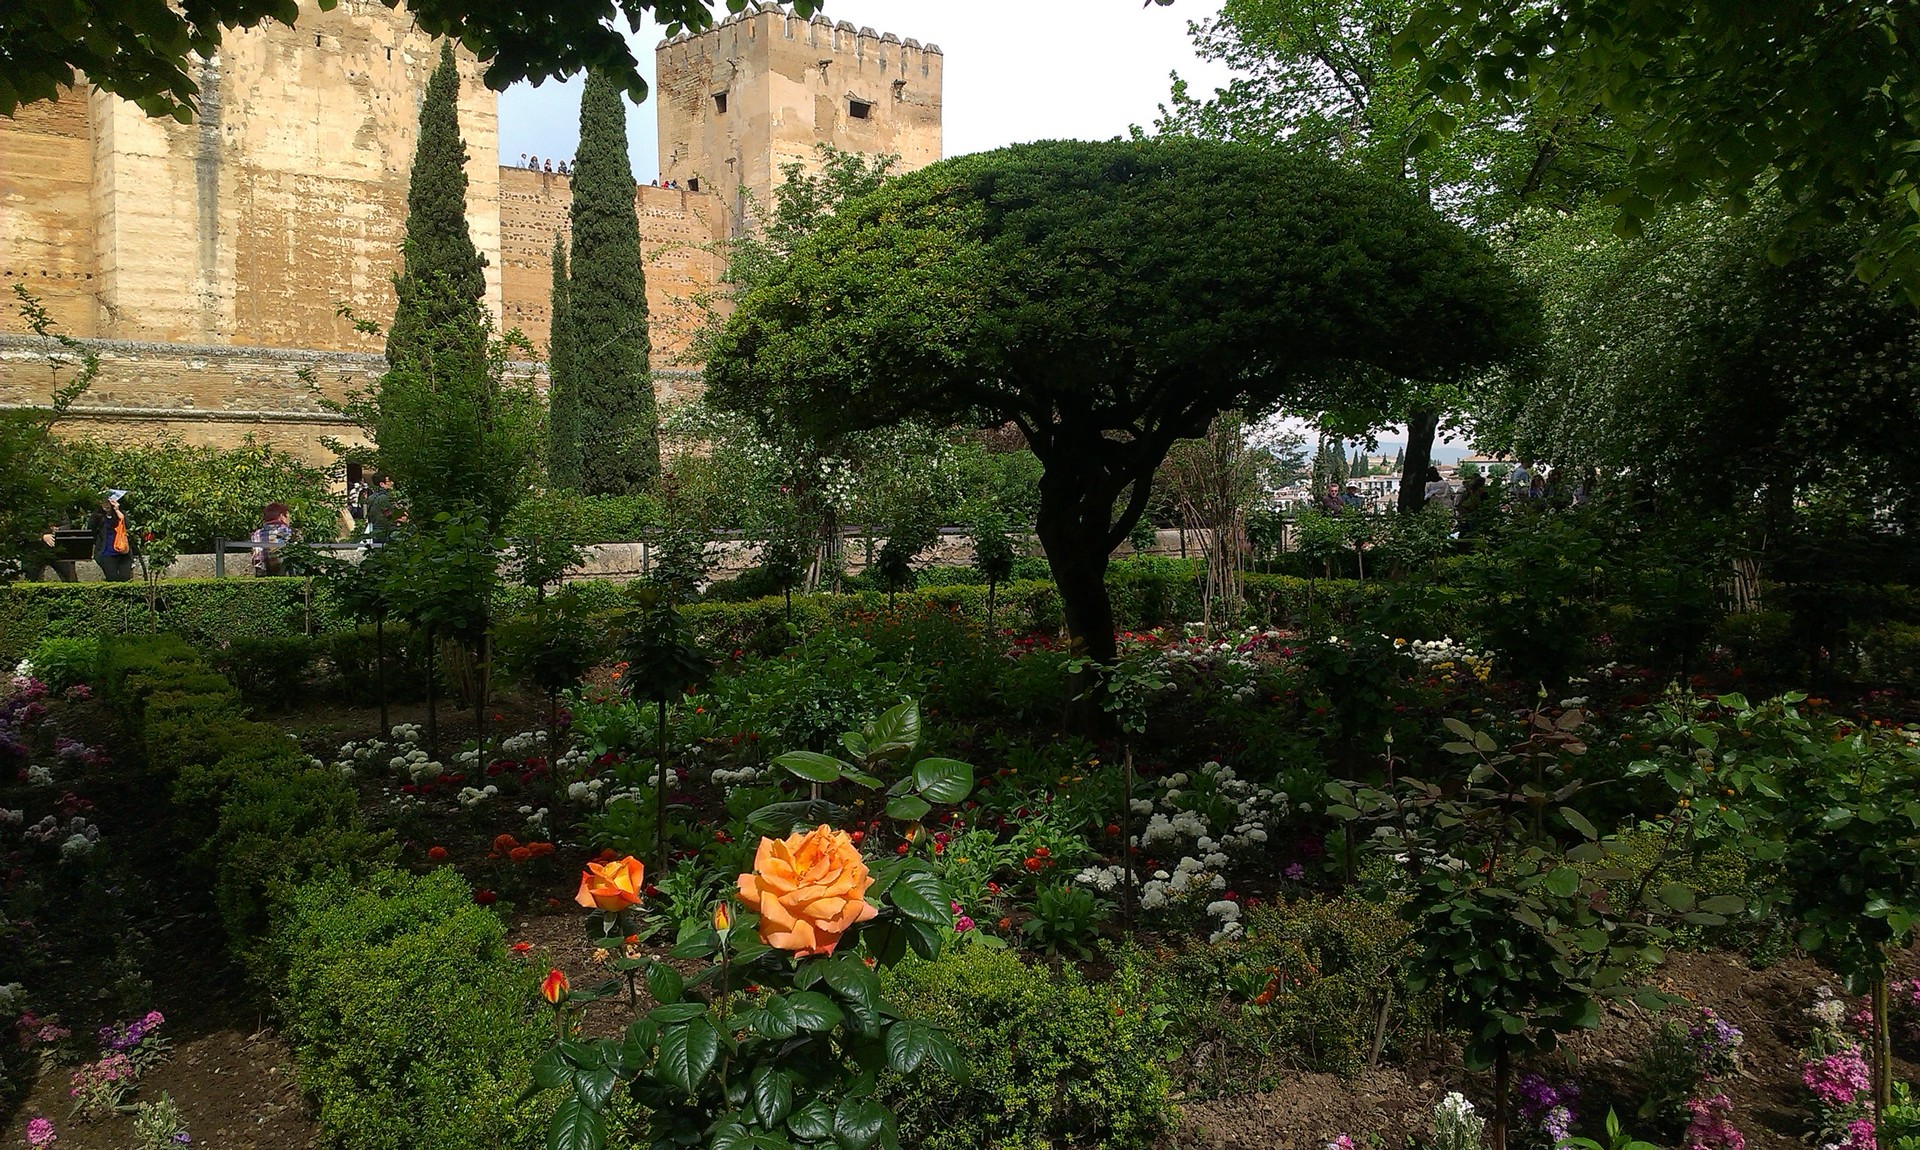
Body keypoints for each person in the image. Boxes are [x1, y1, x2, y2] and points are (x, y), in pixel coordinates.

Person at [90, 491, 135, 582]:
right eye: (103, 503)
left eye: (108, 503)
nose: (105, 505)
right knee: (112, 577)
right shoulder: (98, 516)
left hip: (122, 552)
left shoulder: (120, 515)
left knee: (125, 578)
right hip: (106, 552)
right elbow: (91, 528)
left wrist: (117, 510)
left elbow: (128, 526)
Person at [250, 502, 294, 576]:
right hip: (283, 572)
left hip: (262, 572)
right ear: (282, 516)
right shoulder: (286, 530)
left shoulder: (257, 534)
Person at [363, 471, 403, 545]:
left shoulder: (371, 497)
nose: (392, 483)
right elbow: (390, 515)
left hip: (375, 530)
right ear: (382, 484)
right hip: (387, 532)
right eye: (389, 481)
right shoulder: (384, 498)